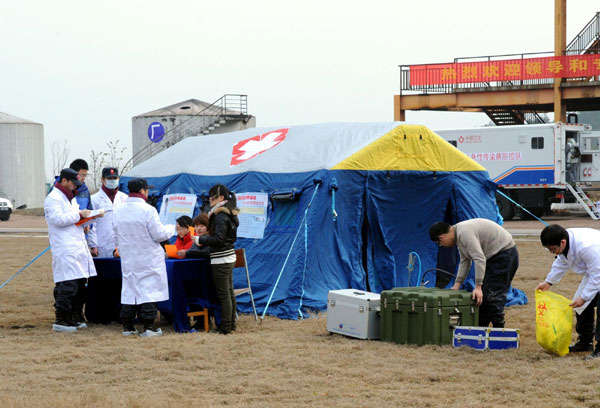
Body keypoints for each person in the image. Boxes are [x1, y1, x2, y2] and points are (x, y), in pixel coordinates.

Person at [112, 178, 176, 337]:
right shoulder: (148, 210)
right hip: (148, 258)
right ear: (142, 191)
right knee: (148, 291)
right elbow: (159, 234)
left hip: (128, 257)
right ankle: (149, 327)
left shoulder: (118, 210)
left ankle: (127, 326)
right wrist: (171, 228)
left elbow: (115, 234)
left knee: (129, 290)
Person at [429, 218, 519, 328]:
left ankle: (499, 332)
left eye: (440, 243)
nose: (442, 245)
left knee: (493, 296)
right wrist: (457, 284)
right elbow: (465, 261)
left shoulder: (464, 233)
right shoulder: (458, 233)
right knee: (484, 299)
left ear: (441, 237)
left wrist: (478, 287)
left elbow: (479, 258)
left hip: (504, 255)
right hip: (495, 256)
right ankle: (480, 330)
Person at [44, 168, 100, 332]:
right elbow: (57, 219)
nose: (75, 187)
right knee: (67, 284)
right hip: (65, 247)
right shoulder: (53, 198)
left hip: (77, 245)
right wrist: (79, 216)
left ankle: (73, 317)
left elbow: (73, 218)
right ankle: (62, 319)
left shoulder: (70, 198)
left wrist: (85, 222)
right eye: (73, 183)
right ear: (64, 181)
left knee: (79, 284)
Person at [536, 224, 600, 360]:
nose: (552, 252)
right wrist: (548, 282)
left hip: (597, 272)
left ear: (562, 242)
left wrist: (584, 297)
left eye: (552, 249)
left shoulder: (586, 247)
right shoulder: (565, 241)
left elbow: (597, 275)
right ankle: (585, 342)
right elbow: (561, 262)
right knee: (581, 307)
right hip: (595, 272)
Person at [194, 184, 240, 334]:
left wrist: (200, 240)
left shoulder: (220, 215)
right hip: (228, 256)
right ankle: (230, 324)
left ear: (220, 198)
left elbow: (219, 239)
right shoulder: (229, 212)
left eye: (212, 197)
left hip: (221, 258)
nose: (210, 200)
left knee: (224, 295)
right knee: (229, 292)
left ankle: (226, 327)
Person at [88, 167, 128, 257]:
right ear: (102, 179)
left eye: (115, 178)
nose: (112, 181)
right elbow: (91, 224)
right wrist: (93, 245)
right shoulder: (94, 199)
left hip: (122, 245)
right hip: (102, 245)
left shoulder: (125, 198)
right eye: (109, 178)